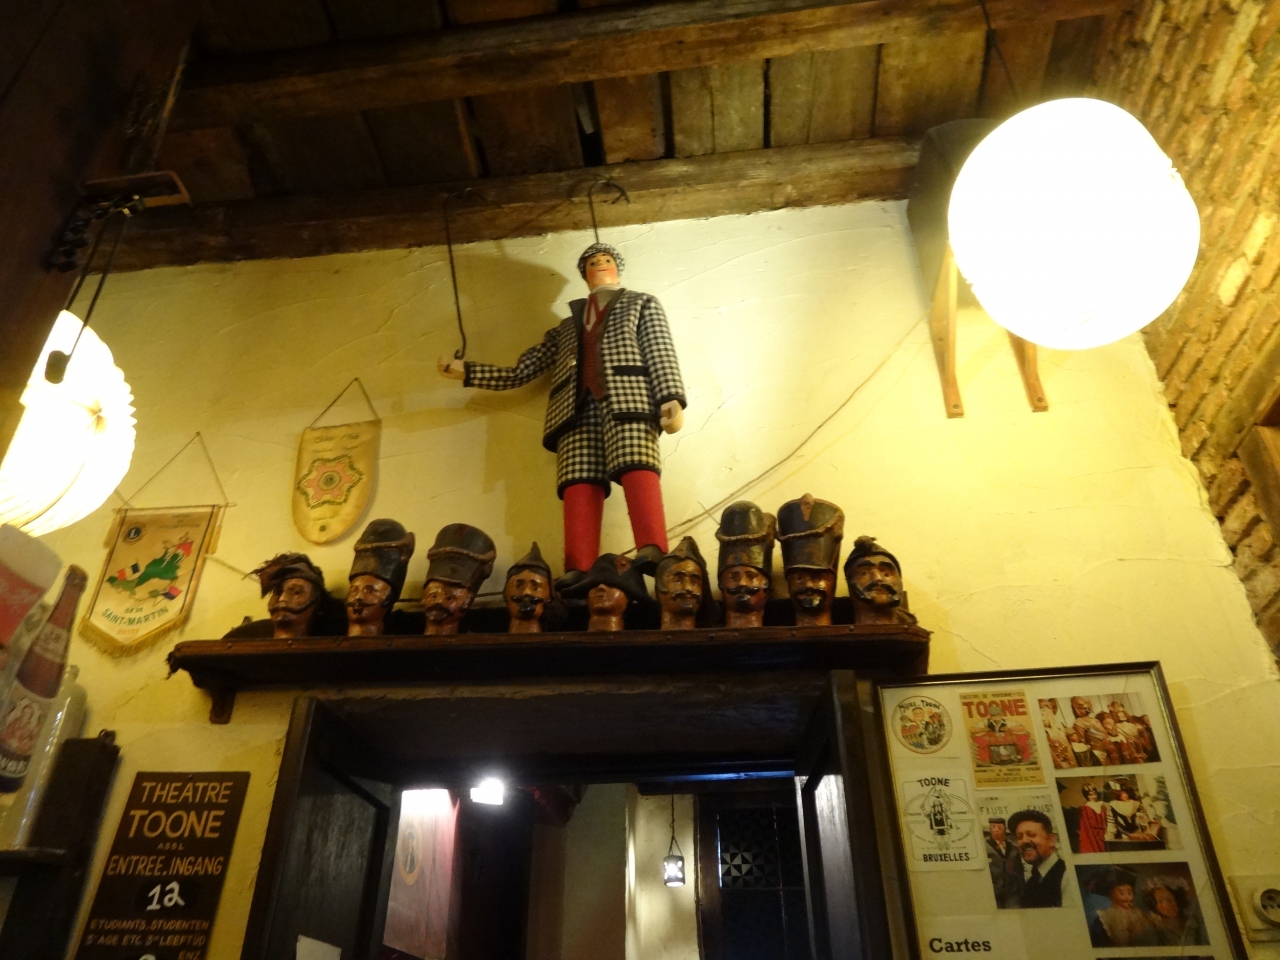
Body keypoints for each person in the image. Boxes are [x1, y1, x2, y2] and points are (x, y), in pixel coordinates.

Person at [438, 243, 685, 591]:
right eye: (593, 263)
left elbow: (660, 350)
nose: (600, 265)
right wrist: (469, 372)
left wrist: (670, 396)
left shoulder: (641, 303)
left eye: (606, 260)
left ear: (618, 267)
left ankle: (653, 547)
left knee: (636, 463)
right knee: (578, 480)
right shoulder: (567, 326)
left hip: (629, 397)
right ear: (585, 275)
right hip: (573, 409)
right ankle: (578, 566)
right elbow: (524, 369)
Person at [1006, 810, 1065, 908]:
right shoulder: (1032, 881)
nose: (1024, 841)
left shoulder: (1066, 876)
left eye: (1031, 834)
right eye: (1019, 837)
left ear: (1051, 840)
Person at [1089, 867, 1156, 946]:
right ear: (1111, 895)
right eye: (1121, 893)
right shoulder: (1104, 919)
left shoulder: (1139, 914)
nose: (1127, 897)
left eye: (1129, 893)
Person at [1142, 875, 1206, 946]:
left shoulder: (1192, 922)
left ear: (1178, 900)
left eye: (1169, 900)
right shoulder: (1155, 927)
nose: (1166, 906)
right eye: (1160, 901)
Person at [985, 818, 1020, 906]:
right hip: (993, 889)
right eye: (993, 827)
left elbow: (1018, 867)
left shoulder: (1012, 847)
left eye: (999, 828)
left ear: (1004, 829)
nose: (996, 830)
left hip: (1011, 890)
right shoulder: (985, 846)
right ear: (990, 829)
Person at [1076, 783, 1108, 853]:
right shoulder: (1085, 808)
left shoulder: (1102, 805)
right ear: (1087, 796)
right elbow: (1086, 827)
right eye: (1090, 795)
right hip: (1093, 835)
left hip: (1103, 833)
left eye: (1094, 794)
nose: (1093, 796)